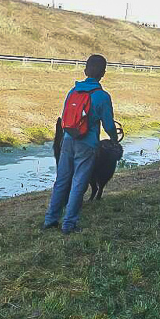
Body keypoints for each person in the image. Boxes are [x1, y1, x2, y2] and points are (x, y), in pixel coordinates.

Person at [43, 54, 118, 234]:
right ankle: (69, 224)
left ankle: (50, 220)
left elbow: (66, 118)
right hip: (87, 145)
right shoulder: (102, 96)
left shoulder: (73, 92)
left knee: (61, 181)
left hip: (67, 142)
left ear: (85, 71)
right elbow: (109, 125)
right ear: (103, 74)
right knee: (79, 183)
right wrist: (114, 140)